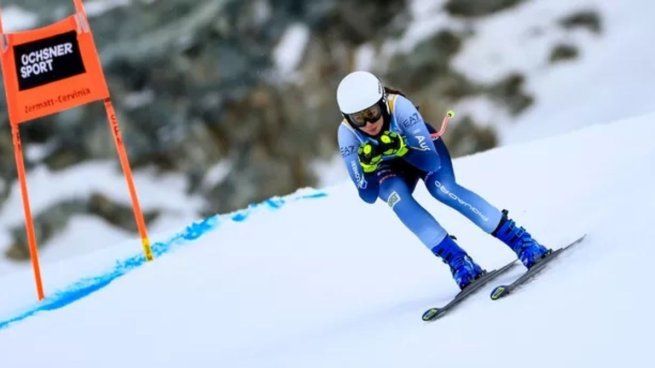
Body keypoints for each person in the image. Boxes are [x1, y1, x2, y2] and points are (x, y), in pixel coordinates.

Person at [336, 71, 551, 289]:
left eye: (372, 113)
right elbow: (368, 195)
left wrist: (403, 148)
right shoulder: (347, 135)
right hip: (388, 169)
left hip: (421, 152)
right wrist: (369, 169)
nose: (368, 124)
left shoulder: (400, 107)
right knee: (396, 199)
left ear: (382, 103)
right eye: (358, 118)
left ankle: (521, 241)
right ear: (348, 118)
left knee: (441, 188)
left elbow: (430, 162)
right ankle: (459, 261)